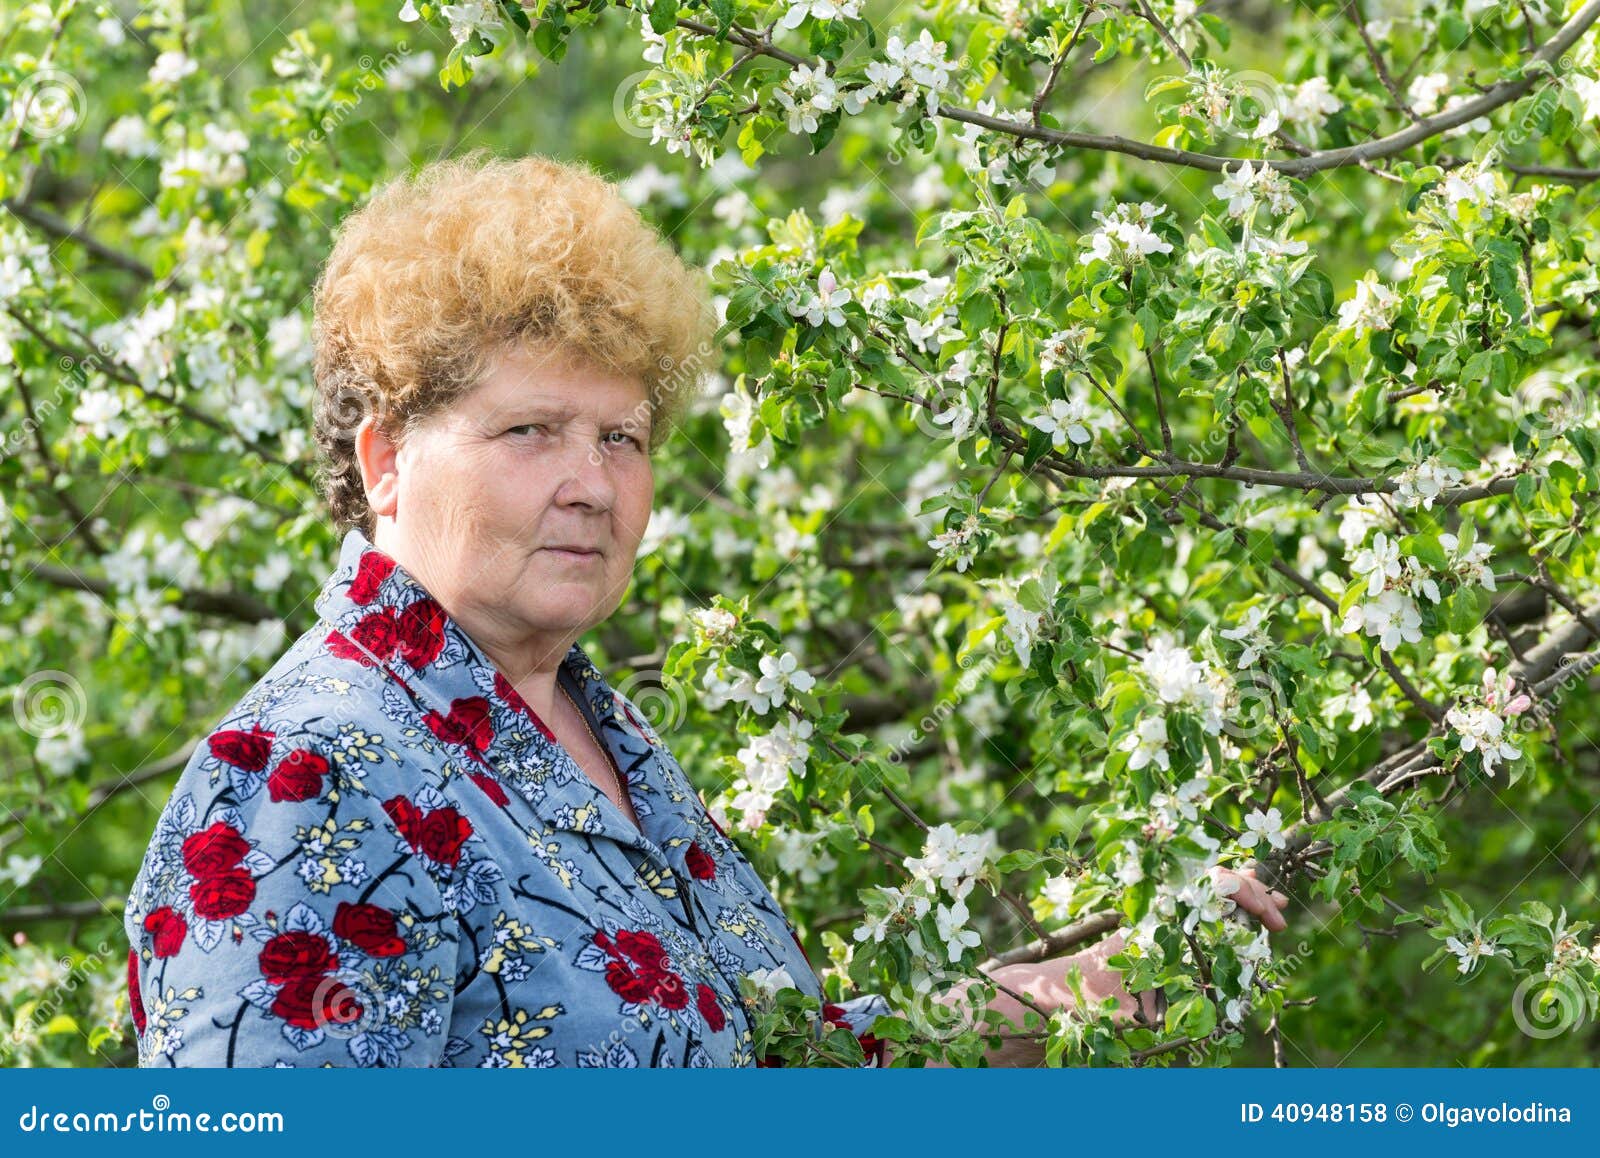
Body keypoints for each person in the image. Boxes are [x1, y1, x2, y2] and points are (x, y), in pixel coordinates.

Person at [122, 150, 1290, 1067]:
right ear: (384, 462)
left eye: (620, 437)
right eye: (530, 430)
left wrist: (1053, 997)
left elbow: (770, 1076)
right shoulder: (305, 777)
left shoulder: (595, 734)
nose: (590, 482)